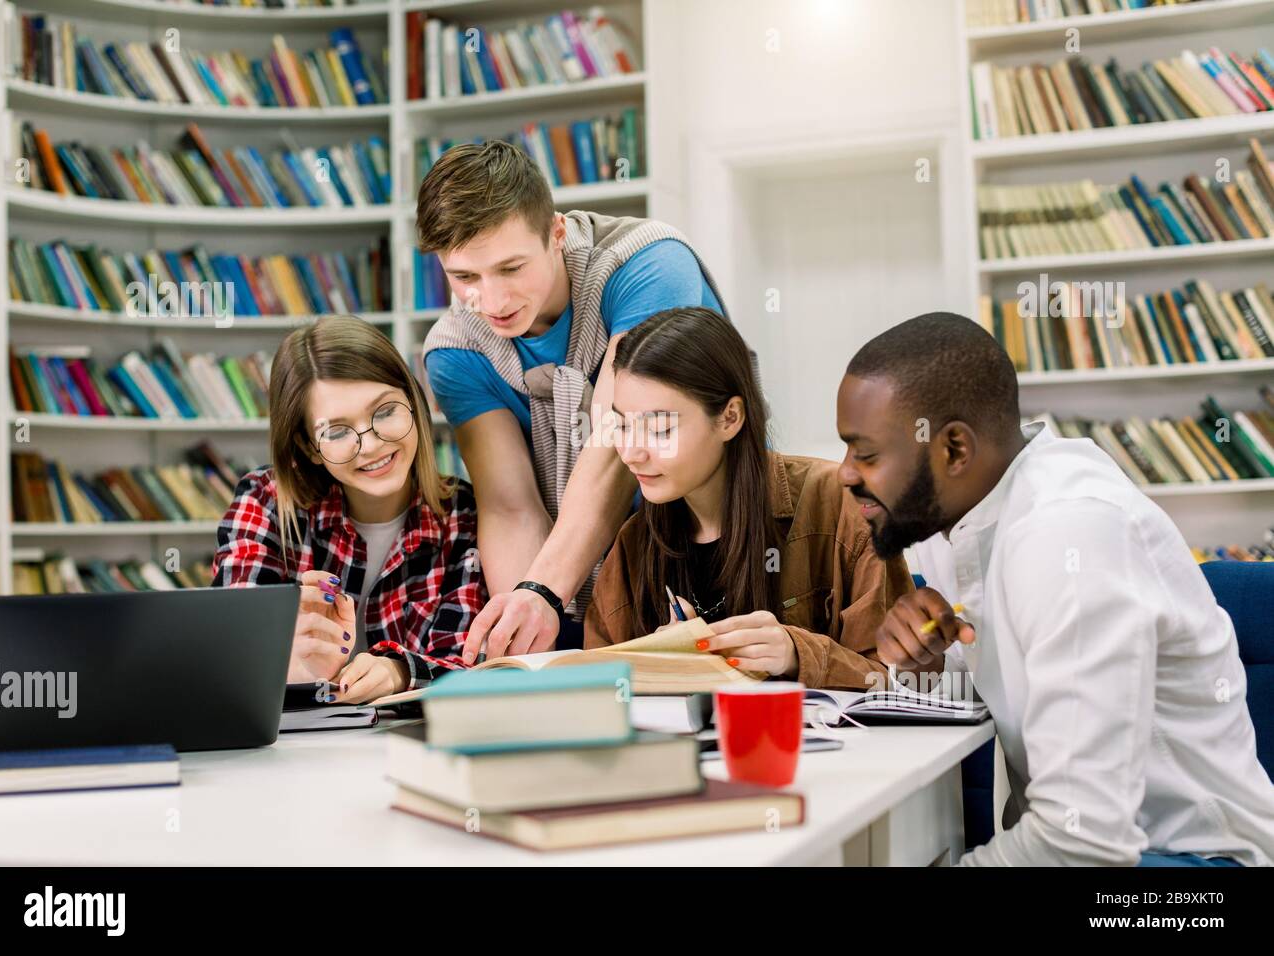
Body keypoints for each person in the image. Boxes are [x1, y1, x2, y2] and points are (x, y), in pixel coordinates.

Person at [835, 310, 1274, 866]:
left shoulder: (1067, 535)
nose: (845, 472)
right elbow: (1027, 694)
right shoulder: (962, 519)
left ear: (953, 451)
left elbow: (1083, 841)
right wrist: (927, 665)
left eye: (865, 453)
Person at [416, 140, 728, 661]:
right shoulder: (455, 351)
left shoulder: (648, 263)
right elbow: (511, 507)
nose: (490, 302)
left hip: (710, 542)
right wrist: (528, 640)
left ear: (557, 233)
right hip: (581, 578)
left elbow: (617, 442)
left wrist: (541, 591)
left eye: (511, 268)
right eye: (465, 277)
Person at [585, 307, 912, 687]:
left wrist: (796, 653)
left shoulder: (843, 505)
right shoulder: (635, 544)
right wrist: (659, 669)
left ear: (730, 418)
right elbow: (598, 685)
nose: (631, 452)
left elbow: (905, 679)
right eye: (622, 425)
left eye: (659, 429)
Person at [213, 315, 485, 704]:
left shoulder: (462, 515)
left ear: (412, 400)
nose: (371, 445)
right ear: (308, 447)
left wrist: (400, 670)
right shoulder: (265, 500)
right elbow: (229, 652)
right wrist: (291, 652)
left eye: (386, 411)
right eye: (337, 432)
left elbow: (474, 662)